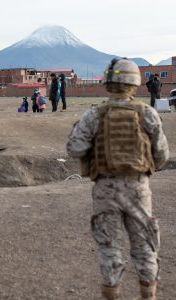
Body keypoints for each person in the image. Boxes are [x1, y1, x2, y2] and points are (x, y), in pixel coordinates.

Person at [66, 58, 169, 300]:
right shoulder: (148, 114)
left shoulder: (94, 114)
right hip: (138, 187)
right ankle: (149, 295)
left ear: (107, 82)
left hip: (105, 188)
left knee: (110, 247)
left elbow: (75, 148)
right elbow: (162, 155)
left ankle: (112, 294)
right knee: (145, 246)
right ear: (135, 82)